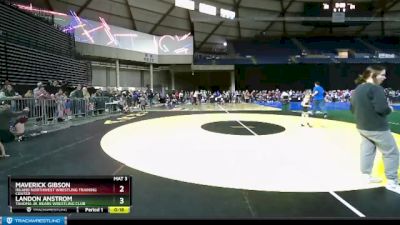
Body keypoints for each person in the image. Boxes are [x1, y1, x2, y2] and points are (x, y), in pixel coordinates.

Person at [350, 65, 400, 194]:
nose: (384, 77)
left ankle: (365, 176)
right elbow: (382, 109)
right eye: (382, 75)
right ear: (373, 75)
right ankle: (392, 182)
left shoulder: (357, 89)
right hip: (377, 128)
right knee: (391, 153)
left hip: (362, 126)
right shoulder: (376, 89)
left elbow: (352, 109)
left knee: (367, 150)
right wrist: (390, 109)